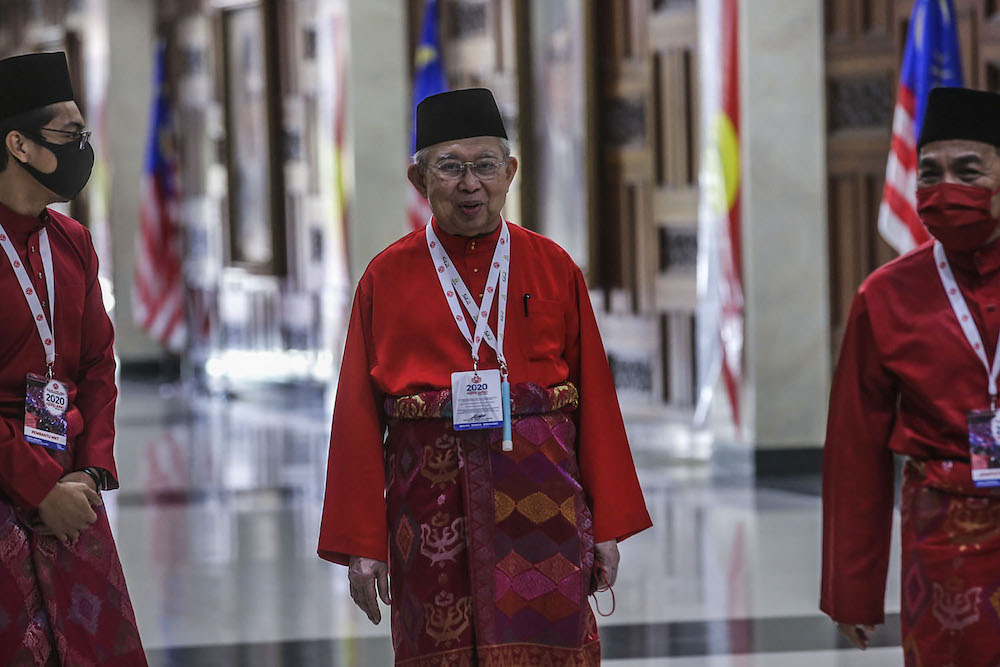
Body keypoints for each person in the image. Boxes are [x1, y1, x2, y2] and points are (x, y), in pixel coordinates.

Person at [318, 88, 651, 665]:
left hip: (546, 514)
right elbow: (354, 419)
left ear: (510, 172)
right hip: (429, 517)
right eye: (449, 167)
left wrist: (608, 527)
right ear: (419, 179)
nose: (470, 183)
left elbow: (595, 402)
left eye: (485, 166)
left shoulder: (553, 266)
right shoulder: (385, 278)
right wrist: (360, 545)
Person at [822, 86, 1000, 666]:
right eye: (930, 173)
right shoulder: (887, 295)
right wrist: (853, 589)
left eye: (969, 170)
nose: (947, 189)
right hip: (944, 532)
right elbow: (855, 451)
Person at [0, 52, 146, 665]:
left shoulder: (74, 243)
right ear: (20, 144)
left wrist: (89, 471)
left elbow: (96, 367)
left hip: (70, 487)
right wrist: (37, 486)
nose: (84, 147)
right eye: (69, 133)